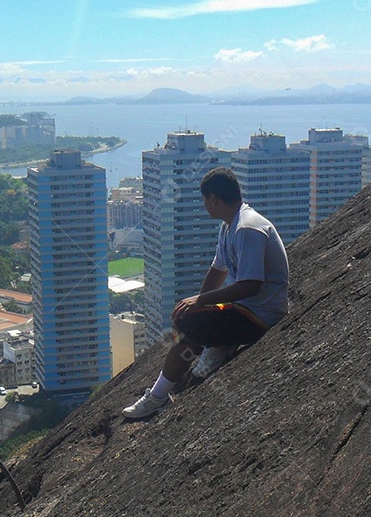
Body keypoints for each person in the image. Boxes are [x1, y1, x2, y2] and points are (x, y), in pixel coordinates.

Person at [123, 166, 289, 419]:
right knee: (186, 320)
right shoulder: (229, 226)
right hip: (244, 309)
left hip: (260, 313)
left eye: (204, 200)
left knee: (188, 325)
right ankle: (208, 352)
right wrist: (195, 306)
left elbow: (251, 285)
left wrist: (198, 304)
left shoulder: (247, 228)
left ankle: (158, 397)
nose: (205, 205)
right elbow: (217, 271)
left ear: (213, 198)